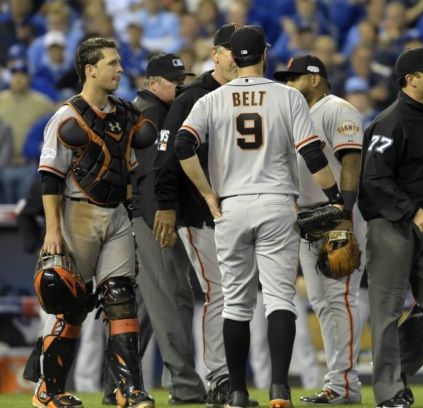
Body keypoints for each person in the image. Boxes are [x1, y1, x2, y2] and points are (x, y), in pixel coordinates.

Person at [175, 25, 344, 408]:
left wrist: (207, 193)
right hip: (276, 201)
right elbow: (313, 154)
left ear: (233, 57)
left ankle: (236, 391)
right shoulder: (286, 96)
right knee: (280, 298)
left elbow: (183, 145)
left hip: (232, 205)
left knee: (235, 302)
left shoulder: (212, 100)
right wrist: (335, 198)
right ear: (264, 55)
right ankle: (280, 389)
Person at [34, 37, 157, 408]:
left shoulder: (125, 114)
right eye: (112, 63)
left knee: (121, 299)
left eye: (119, 63)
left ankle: (128, 389)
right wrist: (53, 230)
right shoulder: (66, 116)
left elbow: (129, 170)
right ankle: (48, 390)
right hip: (77, 212)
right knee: (68, 304)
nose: (120, 69)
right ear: (90, 69)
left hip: (117, 213)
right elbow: (49, 177)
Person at [152, 23, 259, 407]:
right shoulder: (195, 95)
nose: (236, 55)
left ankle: (230, 377)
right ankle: (220, 378)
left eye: (242, 49)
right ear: (215, 53)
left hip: (245, 210)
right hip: (201, 215)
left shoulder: (255, 95)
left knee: (238, 294)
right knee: (220, 292)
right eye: (230, 49)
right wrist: (167, 205)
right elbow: (167, 154)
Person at [100, 52, 207, 405]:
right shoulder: (150, 114)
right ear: (150, 82)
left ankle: (115, 386)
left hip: (134, 217)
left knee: (143, 308)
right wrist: (161, 216)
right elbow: (148, 177)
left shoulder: (146, 109)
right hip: (150, 218)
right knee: (173, 300)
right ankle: (186, 388)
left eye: (181, 79)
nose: (179, 85)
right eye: (171, 80)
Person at [358, 47, 423, 408]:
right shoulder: (391, 120)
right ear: (410, 80)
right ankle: (388, 392)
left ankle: (393, 368)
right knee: (386, 310)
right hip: (392, 224)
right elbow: (374, 179)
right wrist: (411, 210)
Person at [273, 54, 365, 404]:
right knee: (322, 303)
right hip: (309, 218)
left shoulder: (337, 108)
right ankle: (338, 383)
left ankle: (344, 384)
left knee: (340, 299)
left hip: (337, 213)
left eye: (293, 78)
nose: (288, 84)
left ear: (314, 79)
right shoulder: (297, 115)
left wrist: (345, 214)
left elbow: (351, 161)